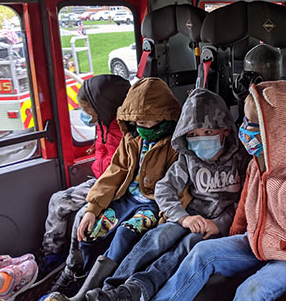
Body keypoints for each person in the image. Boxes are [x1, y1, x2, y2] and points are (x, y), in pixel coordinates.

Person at [152, 80, 286, 301]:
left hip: (285, 257)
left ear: (279, 130)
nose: (244, 128)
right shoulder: (257, 163)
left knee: (250, 292)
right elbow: (245, 207)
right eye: (246, 121)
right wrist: (232, 238)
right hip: (253, 243)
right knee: (201, 253)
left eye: (254, 123)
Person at [85, 88, 248, 301]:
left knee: (187, 246)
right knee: (157, 237)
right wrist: (183, 217)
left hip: (217, 224)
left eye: (208, 132)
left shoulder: (242, 161)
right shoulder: (188, 159)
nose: (200, 139)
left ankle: (137, 288)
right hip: (189, 215)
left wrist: (219, 224)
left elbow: (247, 202)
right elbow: (164, 189)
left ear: (225, 130)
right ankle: (113, 289)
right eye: (193, 135)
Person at [44, 78, 190, 301]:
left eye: (147, 121)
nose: (141, 127)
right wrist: (93, 207)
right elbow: (115, 172)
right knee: (93, 229)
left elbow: (176, 186)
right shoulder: (132, 139)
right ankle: (82, 276)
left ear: (165, 116)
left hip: (153, 204)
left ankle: (93, 289)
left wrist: (168, 218)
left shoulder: (174, 146)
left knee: (125, 233)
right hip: (127, 197)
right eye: (137, 121)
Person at [41, 75, 130, 274]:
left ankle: (74, 270)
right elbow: (100, 152)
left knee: (83, 216)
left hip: (118, 187)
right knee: (58, 200)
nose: (88, 117)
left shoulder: (127, 131)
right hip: (99, 181)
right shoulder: (103, 125)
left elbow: (121, 171)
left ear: (104, 108)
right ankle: (51, 257)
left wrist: (97, 198)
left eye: (90, 112)